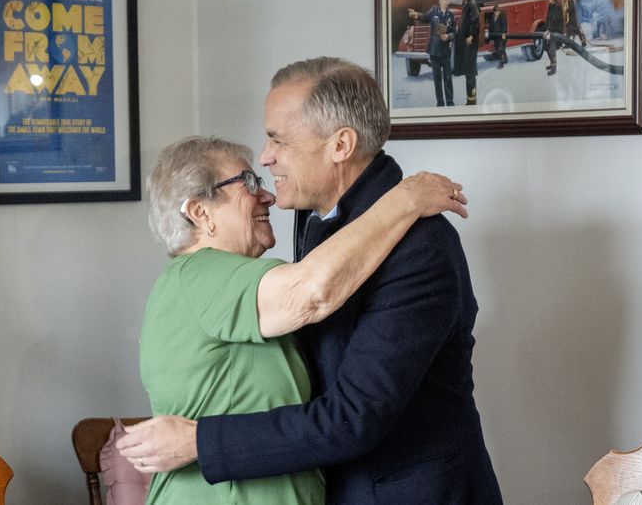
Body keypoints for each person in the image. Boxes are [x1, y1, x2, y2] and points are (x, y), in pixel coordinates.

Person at [118, 57, 503, 504]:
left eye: (278, 139)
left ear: (340, 145)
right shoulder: (315, 224)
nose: (267, 158)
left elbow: (353, 418)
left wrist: (199, 442)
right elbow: (311, 299)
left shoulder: (419, 246)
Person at [407, 0, 455, 106]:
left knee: (448, 78)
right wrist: (415, 14)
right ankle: (440, 103)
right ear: (440, 0)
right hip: (434, 51)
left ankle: (450, 102)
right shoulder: (434, 11)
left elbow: (454, 32)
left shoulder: (451, 15)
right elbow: (424, 17)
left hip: (445, 51)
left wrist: (448, 36)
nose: (446, 0)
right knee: (437, 79)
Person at [453, 0, 480, 105]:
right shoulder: (467, 3)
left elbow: (476, 20)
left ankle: (472, 102)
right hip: (466, 45)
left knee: (470, 75)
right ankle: (470, 100)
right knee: (469, 74)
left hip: (470, 45)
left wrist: (471, 35)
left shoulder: (472, 3)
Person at [544, 0, 564, 76]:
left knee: (551, 50)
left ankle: (553, 69)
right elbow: (548, 19)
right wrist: (546, 28)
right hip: (551, 31)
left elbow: (554, 21)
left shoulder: (557, 7)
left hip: (556, 32)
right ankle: (552, 64)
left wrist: (548, 30)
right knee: (547, 48)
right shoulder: (551, 6)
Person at [488, 3, 508, 69]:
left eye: (498, 11)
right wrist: (490, 37)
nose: (497, 12)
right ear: (494, 12)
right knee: (498, 49)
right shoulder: (492, 18)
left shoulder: (502, 16)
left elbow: (504, 26)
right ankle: (505, 59)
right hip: (495, 36)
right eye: (496, 11)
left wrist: (504, 34)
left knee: (500, 49)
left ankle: (501, 64)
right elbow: (490, 27)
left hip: (501, 36)